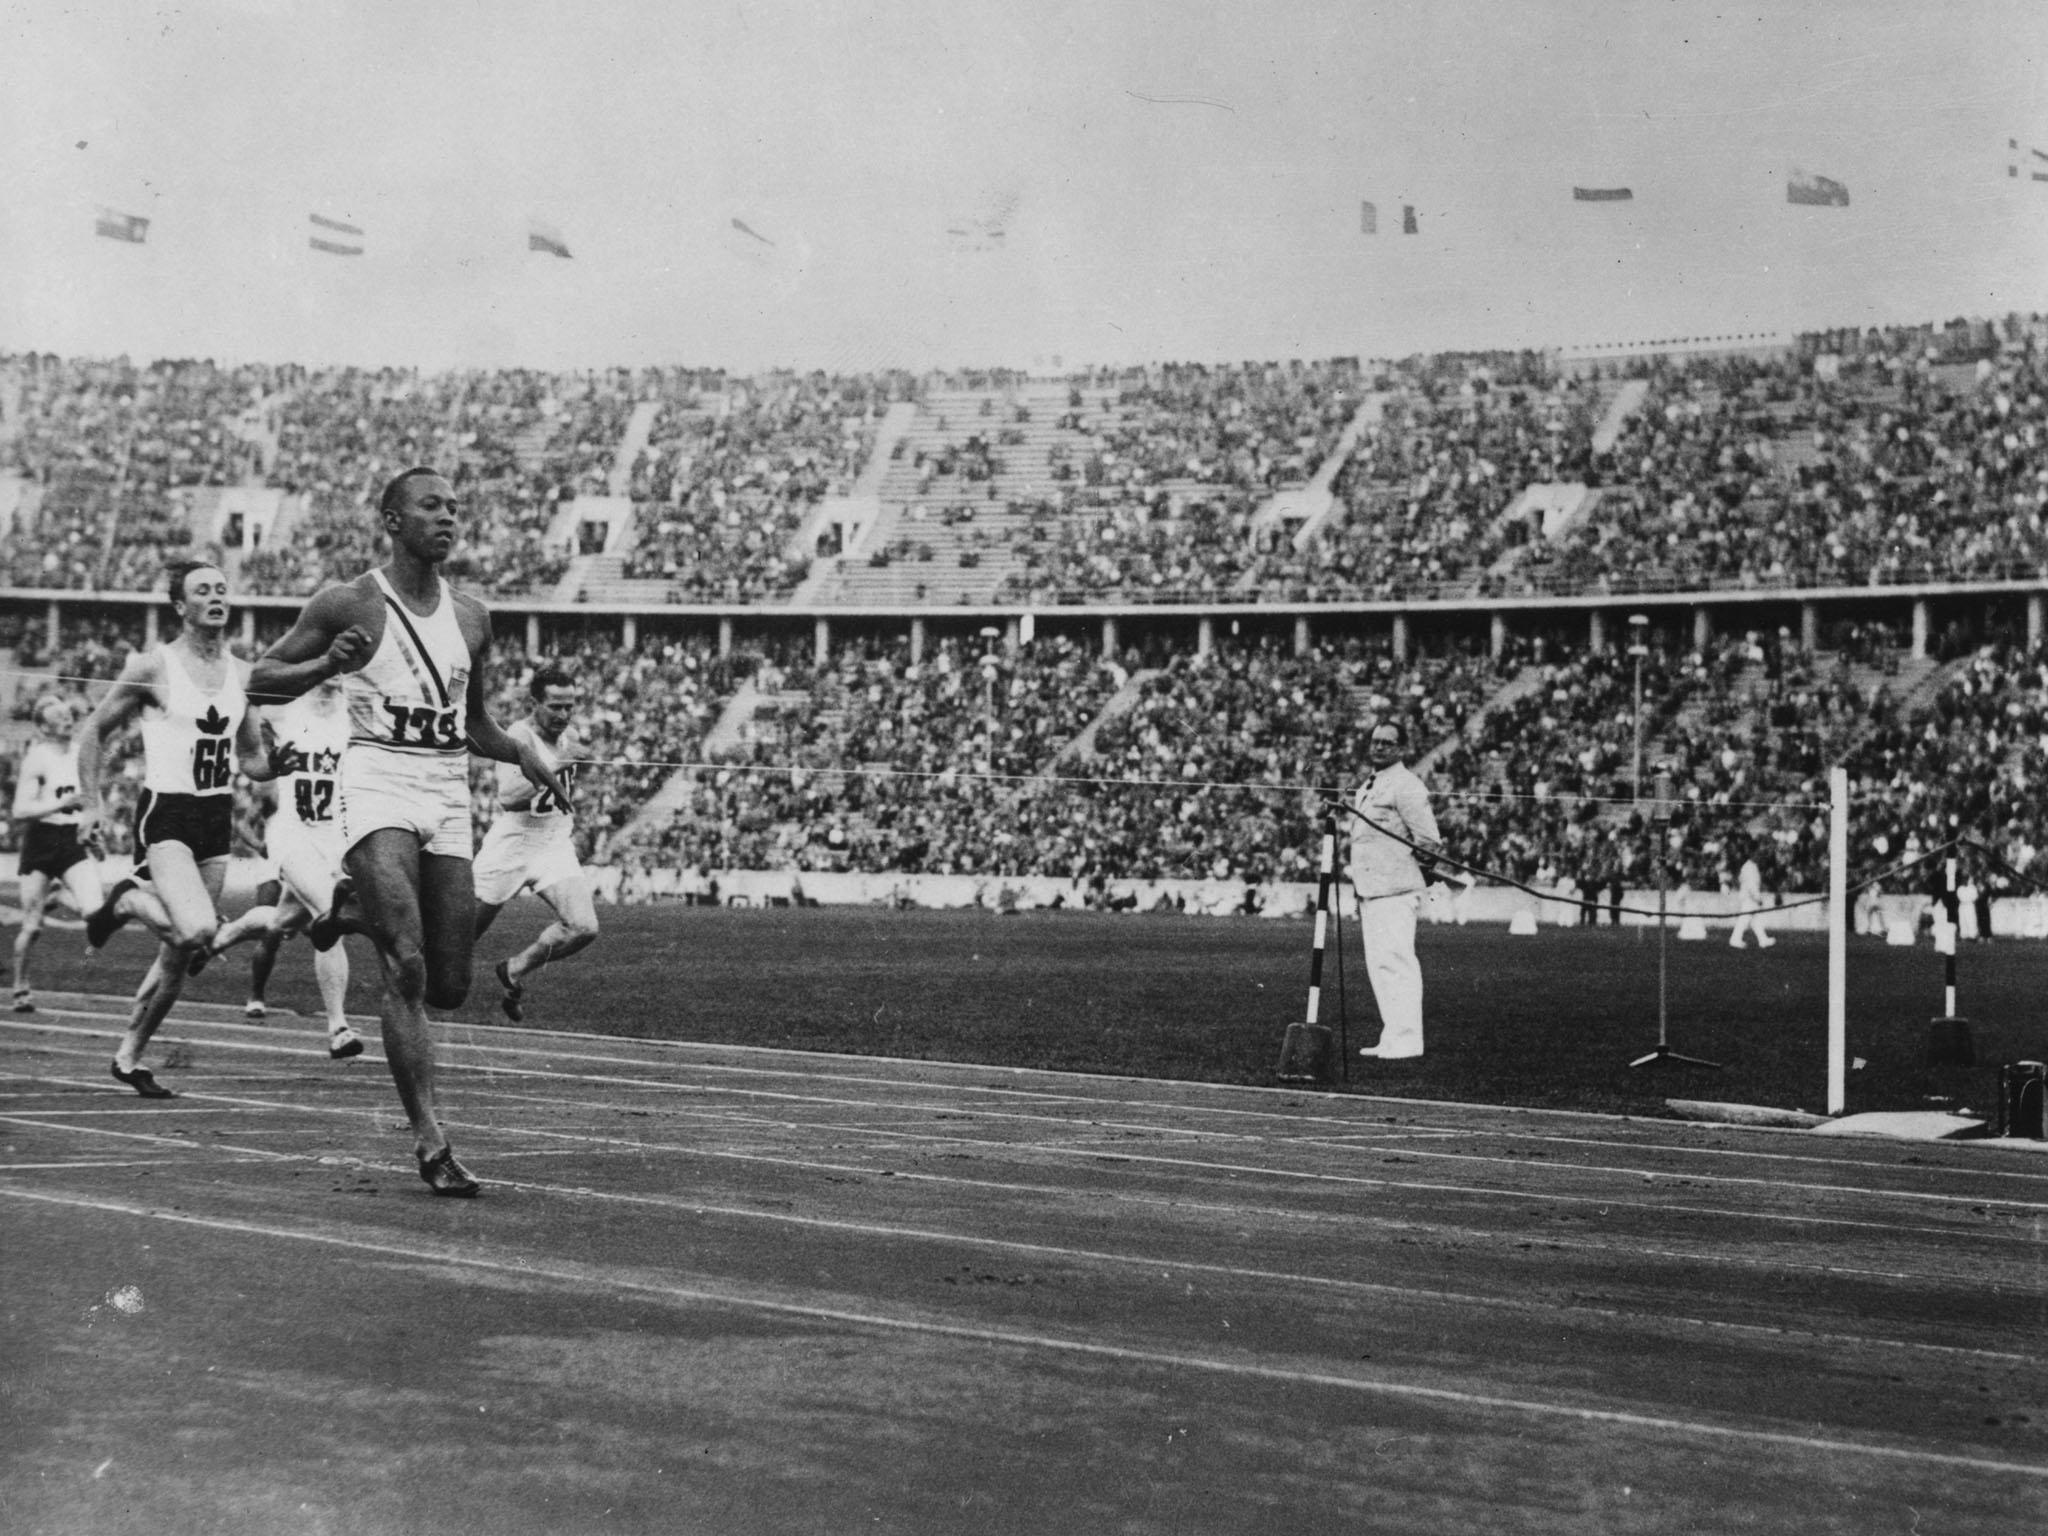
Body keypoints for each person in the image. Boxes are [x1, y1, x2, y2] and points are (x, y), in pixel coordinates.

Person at [249, 466, 569, 1198]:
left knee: (451, 984)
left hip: (445, 789)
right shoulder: (350, 600)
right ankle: (431, 1140)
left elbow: (475, 724)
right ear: (393, 521)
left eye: (456, 508)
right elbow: (260, 681)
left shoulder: (473, 616)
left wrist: (523, 751)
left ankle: (349, 909)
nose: (449, 519)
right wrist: (329, 664)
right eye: (432, 507)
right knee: (408, 966)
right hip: (377, 785)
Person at [76, 560, 284, 1099]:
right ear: (179, 606)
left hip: (215, 818)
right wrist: (90, 806)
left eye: (221, 588)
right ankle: (124, 901)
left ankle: (129, 1056)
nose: (216, 597)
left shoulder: (244, 674)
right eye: (203, 591)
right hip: (165, 813)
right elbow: (94, 731)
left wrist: (280, 764)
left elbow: (252, 759)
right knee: (194, 931)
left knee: (180, 956)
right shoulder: (153, 666)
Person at [201, 675, 365, 1058]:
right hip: (291, 834)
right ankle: (338, 1027)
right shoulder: (285, 708)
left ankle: (224, 936)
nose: (337, 672)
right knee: (329, 913)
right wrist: (259, 750)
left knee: (281, 921)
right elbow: (246, 697)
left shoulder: (355, 712)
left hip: (334, 838)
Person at [474, 663, 599, 1023]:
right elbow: (509, 796)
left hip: (553, 843)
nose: (564, 714)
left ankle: (513, 970)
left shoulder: (570, 735)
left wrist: (574, 763)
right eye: (556, 706)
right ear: (534, 703)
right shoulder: (517, 736)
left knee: (583, 926)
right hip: (511, 846)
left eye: (570, 705)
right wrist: (559, 766)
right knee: (457, 943)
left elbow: (571, 771)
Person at [1347, 718, 1441, 1061]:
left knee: (1397, 963)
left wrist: (1411, 870)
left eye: (1387, 742)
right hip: (1372, 890)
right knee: (1380, 966)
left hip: (1397, 889)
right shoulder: (1370, 785)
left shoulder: (1406, 784)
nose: (1379, 747)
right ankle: (1392, 1035)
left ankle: (1408, 1040)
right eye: (1375, 741)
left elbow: (1429, 839)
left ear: (1401, 748)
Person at [9, 696, 106, 1013]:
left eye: (69, 715)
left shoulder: (81, 754)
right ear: (44, 727)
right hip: (41, 838)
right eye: (60, 717)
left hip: (71, 837)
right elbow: (21, 809)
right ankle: (21, 988)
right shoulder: (38, 758)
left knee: (95, 913)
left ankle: (56, 895)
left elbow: (93, 799)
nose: (68, 720)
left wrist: (94, 833)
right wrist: (60, 805)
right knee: (33, 926)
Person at [1727, 841, 1775, 949]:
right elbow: (1751, 886)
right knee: (1744, 919)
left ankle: (1763, 939)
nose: (1760, 856)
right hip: (1749, 899)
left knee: (1755, 920)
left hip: (1749, 898)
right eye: (1758, 854)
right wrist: (1758, 898)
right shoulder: (1749, 868)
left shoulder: (1751, 867)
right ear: (1752, 854)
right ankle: (1735, 939)